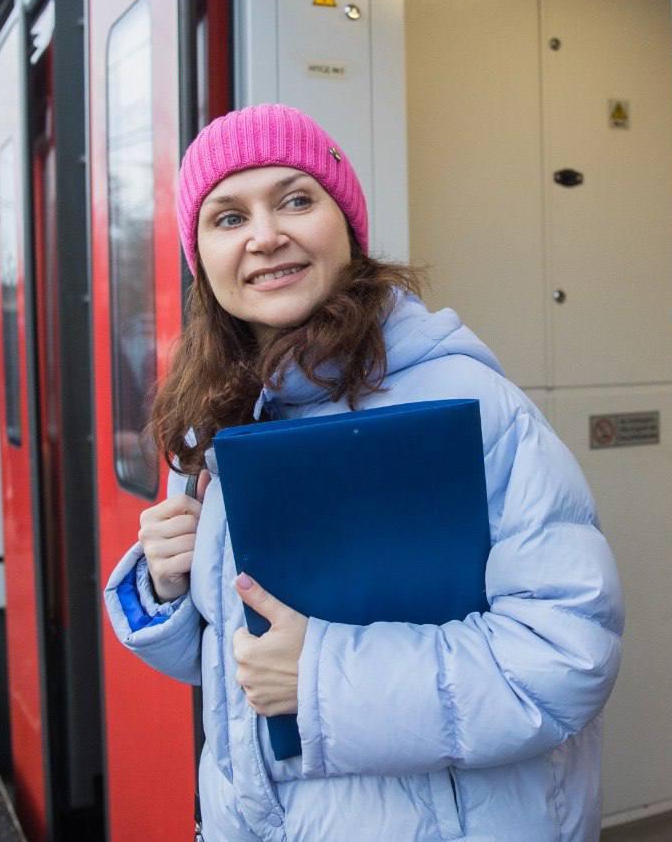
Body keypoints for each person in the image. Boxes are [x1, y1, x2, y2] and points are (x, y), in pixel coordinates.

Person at [102, 104, 624, 841]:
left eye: (295, 199)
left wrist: (319, 678)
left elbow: (566, 655)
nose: (265, 235)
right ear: (202, 257)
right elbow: (242, 674)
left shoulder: (476, 405)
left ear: (346, 225)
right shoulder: (215, 419)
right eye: (227, 217)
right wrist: (171, 586)